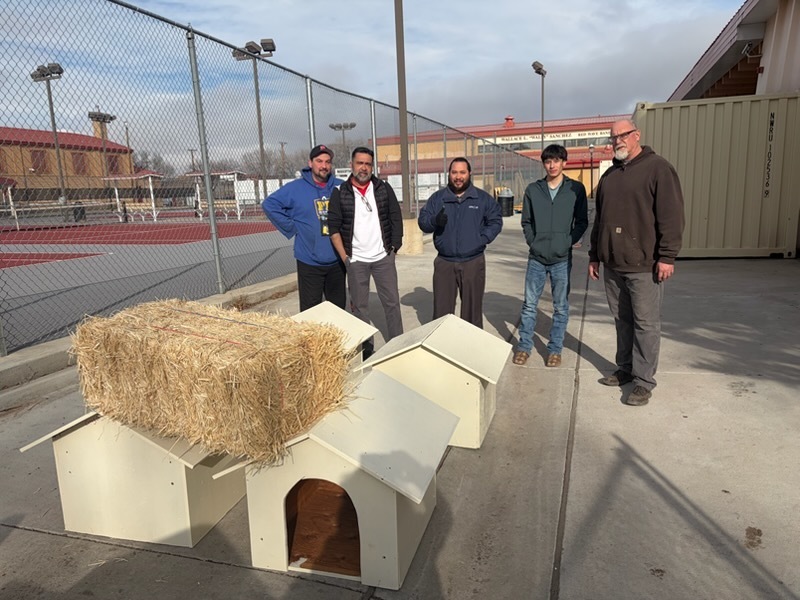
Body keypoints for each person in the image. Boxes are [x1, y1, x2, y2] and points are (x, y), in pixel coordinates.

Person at [588, 119, 685, 406]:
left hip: (644, 265)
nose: (617, 140)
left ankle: (643, 381)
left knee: (645, 324)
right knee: (623, 321)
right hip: (613, 264)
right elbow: (600, 219)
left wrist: (667, 256)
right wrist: (594, 255)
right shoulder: (609, 176)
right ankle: (626, 369)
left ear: (636, 135)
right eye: (613, 136)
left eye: (623, 135)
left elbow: (671, 215)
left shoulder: (658, 169)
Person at [513, 144, 588, 367]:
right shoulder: (533, 190)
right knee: (529, 305)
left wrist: (568, 241)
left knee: (561, 307)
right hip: (536, 258)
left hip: (561, 259)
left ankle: (555, 349)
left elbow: (582, 221)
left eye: (556, 160)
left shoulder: (575, 189)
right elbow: (526, 221)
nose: (552, 165)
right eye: (548, 161)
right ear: (543, 164)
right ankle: (524, 347)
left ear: (564, 162)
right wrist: (533, 241)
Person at [328, 147, 403, 359]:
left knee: (392, 302)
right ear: (351, 165)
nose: (364, 168)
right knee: (360, 307)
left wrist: (393, 248)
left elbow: (395, 217)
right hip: (356, 260)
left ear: (372, 166)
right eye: (360, 163)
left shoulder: (383, 189)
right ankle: (366, 348)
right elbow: (333, 229)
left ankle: (398, 343)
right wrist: (346, 259)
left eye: (368, 164)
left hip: (382, 257)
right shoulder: (340, 192)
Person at [418, 157, 503, 328]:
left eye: (462, 172)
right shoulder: (438, 198)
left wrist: (481, 239)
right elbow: (423, 222)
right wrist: (434, 221)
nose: (458, 177)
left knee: (472, 312)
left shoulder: (482, 199)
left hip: (473, 261)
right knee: (441, 313)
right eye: (454, 172)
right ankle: (442, 342)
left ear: (469, 173)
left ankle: (470, 343)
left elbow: (495, 221)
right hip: (445, 262)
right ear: (449, 174)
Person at [262, 145, 346, 311]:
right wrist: (292, 227)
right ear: (310, 163)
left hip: (337, 259)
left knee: (338, 309)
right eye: (319, 161)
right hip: (309, 260)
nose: (324, 166)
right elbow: (269, 204)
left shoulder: (341, 186)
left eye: (327, 162)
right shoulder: (295, 188)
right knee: (310, 310)